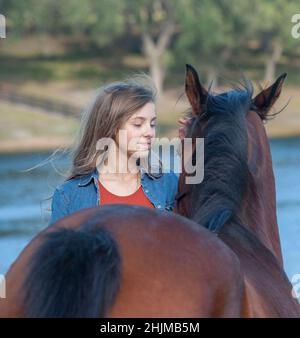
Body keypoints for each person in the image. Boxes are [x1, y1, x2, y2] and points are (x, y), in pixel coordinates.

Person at [50, 75, 179, 224]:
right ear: (110, 127)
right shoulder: (69, 195)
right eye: (138, 124)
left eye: (152, 124)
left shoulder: (168, 184)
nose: (149, 132)